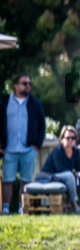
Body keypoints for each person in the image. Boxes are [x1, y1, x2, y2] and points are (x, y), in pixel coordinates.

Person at [1, 72, 46, 214]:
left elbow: (42, 125)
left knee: (26, 181)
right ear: (16, 85)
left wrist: (37, 146)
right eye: (24, 83)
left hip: (28, 149)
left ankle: (23, 207)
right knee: (7, 180)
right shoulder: (5, 102)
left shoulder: (35, 103)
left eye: (29, 84)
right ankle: (6, 208)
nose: (28, 86)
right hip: (9, 149)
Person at [38, 126, 80, 213]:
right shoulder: (57, 150)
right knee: (69, 175)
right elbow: (59, 168)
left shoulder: (75, 151)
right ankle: (75, 205)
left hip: (68, 176)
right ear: (62, 139)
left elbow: (79, 168)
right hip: (50, 176)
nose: (70, 140)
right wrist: (77, 174)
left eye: (73, 138)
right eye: (67, 138)